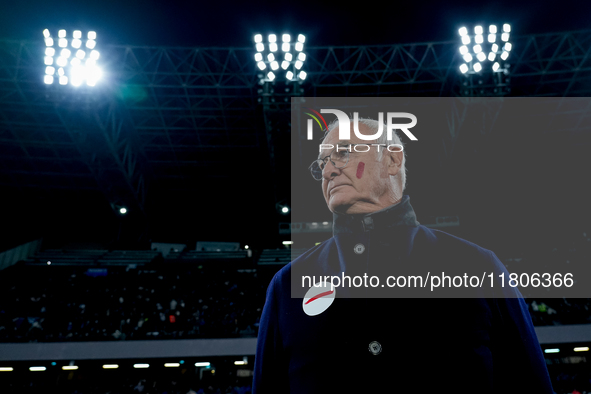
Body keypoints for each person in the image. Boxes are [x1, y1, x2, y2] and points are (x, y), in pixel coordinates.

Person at [252, 118, 554, 393]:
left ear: (392, 160)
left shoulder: (477, 266)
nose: (329, 170)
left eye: (343, 153)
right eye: (322, 163)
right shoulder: (286, 285)